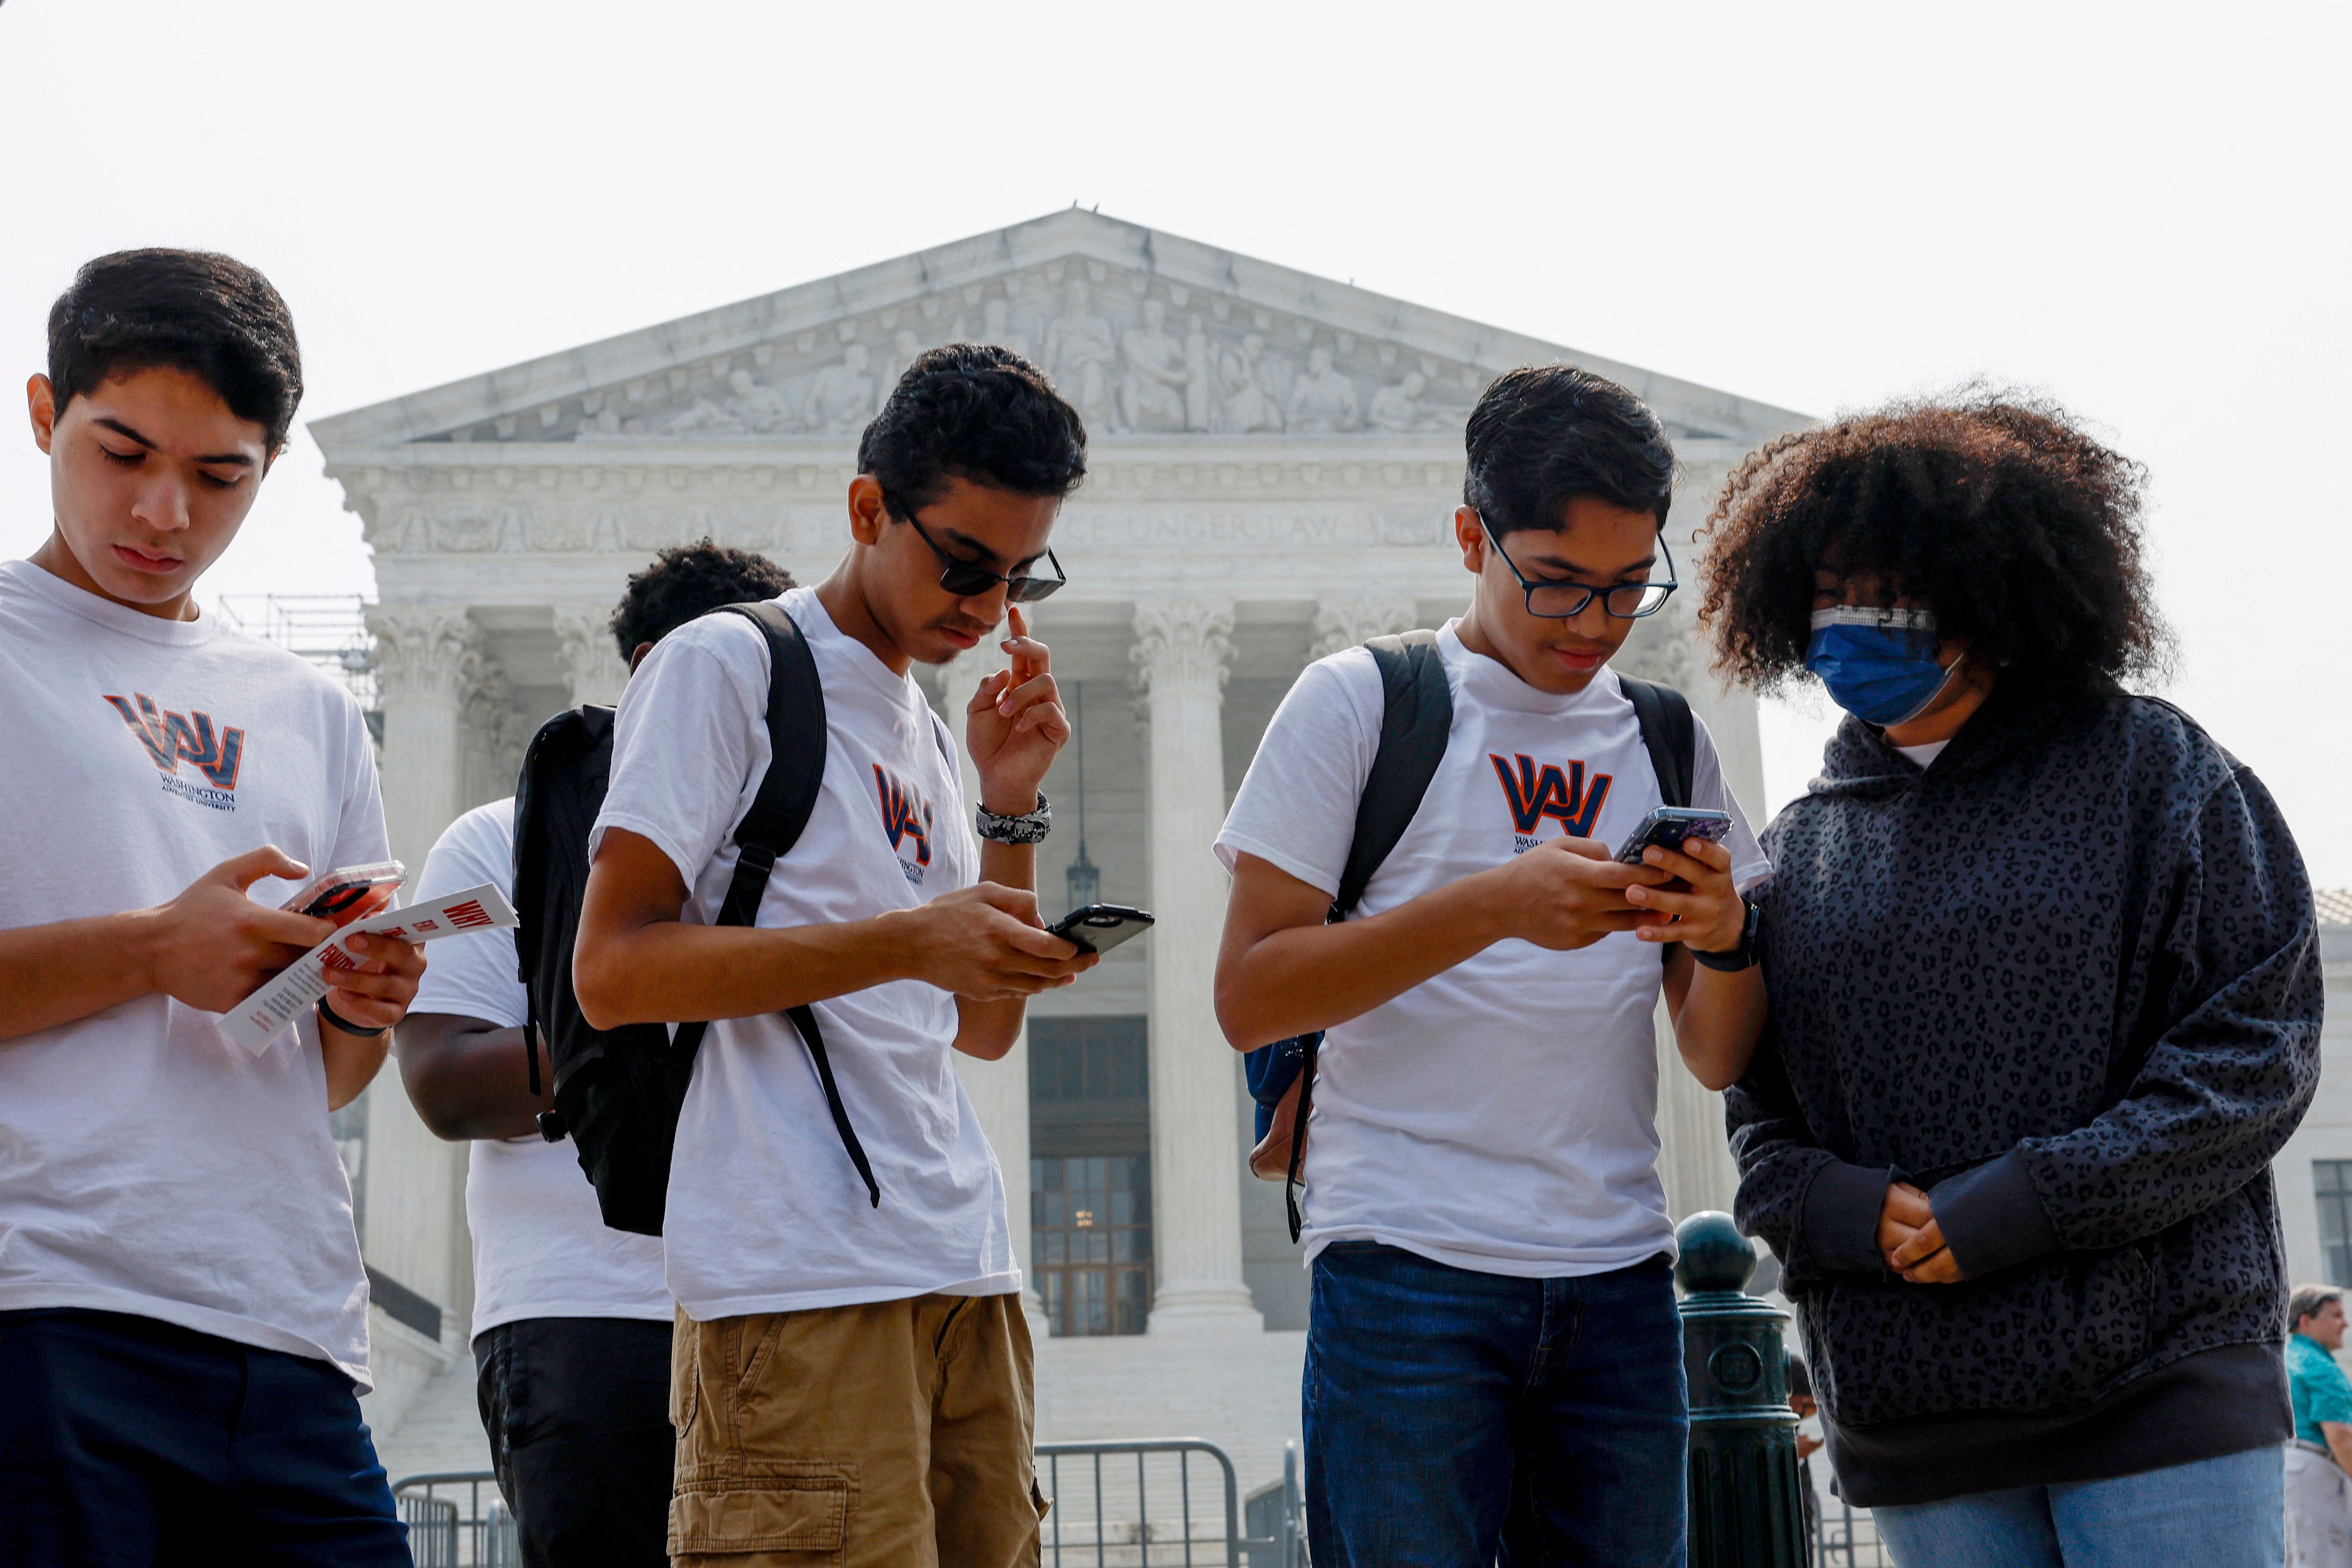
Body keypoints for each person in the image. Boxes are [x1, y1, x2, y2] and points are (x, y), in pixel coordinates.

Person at [1705, 391, 2322, 1568]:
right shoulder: (1796, 847)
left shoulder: (2161, 774)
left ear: (1990, 592)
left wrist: (2025, 1200)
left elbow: (2256, 1048)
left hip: (2157, 1396)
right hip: (1917, 1411)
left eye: (1884, 588)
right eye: (1826, 589)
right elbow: (1759, 1112)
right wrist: (1834, 1209)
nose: (1847, 618)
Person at [1214, 364, 1772, 1566]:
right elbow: (1249, 990)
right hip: (1405, 1258)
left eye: (1629, 588)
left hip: (1619, 1266)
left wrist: (1722, 934)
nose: (1593, 625)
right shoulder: (1362, 702)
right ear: (1471, 535)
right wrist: (1490, 907)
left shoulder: (1665, 733)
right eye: (1558, 584)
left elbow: (1718, 1051)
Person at [570, 343, 1096, 1568]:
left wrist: (1009, 806)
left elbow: (979, 1025)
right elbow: (614, 966)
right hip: (792, 1275)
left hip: (960, 1259)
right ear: (868, 508)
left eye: (1023, 575)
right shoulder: (729, 664)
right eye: (963, 562)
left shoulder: (921, 721)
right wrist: (908, 937)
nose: (986, 606)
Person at [0, 251, 427, 1563]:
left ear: (267, 469)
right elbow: (171, 961)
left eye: (217, 474)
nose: (163, 510)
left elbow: (322, 1080)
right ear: (41, 413)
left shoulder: (307, 712)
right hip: (46, 1309)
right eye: (121, 451)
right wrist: (151, 950)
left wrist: (358, 999)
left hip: (286, 1328)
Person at [399, 541, 794, 1567]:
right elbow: (443, 1082)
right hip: (590, 1308)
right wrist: (650, 1014)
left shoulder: (799, 850)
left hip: (788, 1296)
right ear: (663, 668)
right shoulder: (499, 838)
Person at [2286, 1287, 2352, 1568]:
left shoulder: (2286, 1359)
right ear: (2306, 1321)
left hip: (2289, 1469)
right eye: (2336, 1316)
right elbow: (2341, 1437)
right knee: (2327, 1559)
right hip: (2315, 1470)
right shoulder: (2318, 1366)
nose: (2345, 1323)